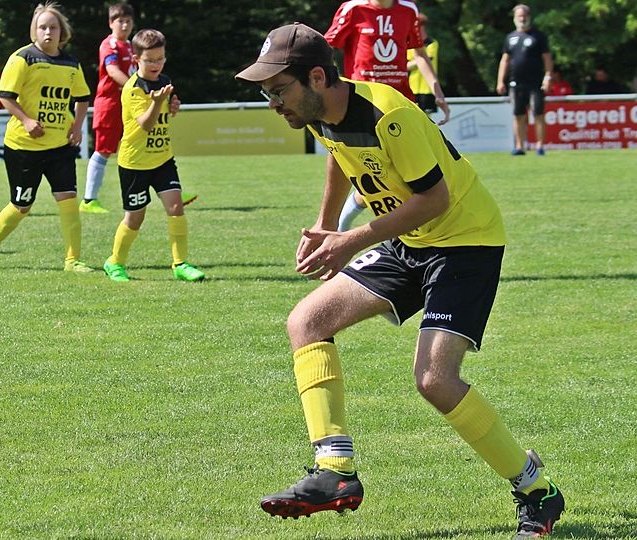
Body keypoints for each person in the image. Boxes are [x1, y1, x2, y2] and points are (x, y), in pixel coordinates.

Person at [236, 23, 565, 538]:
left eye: (279, 91)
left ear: (317, 77)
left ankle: (535, 487)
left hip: (465, 241)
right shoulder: (318, 113)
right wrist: (327, 225)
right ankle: (335, 472)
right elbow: (338, 159)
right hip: (410, 240)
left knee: (435, 381)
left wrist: (353, 239)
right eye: (267, 93)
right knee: (307, 322)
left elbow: (435, 199)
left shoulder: (388, 116)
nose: (274, 103)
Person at [0, 2, 93, 273]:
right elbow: (5, 95)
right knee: (21, 205)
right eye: (43, 27)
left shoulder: (71, 63)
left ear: (61, 31)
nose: (48, 32)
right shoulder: (22, 59)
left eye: (53, 27)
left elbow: (83, 97)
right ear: (34, 31)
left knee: (68, 199)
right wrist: (27, 121)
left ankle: (72, 260)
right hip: (23, 147)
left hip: (59, 147)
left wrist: (77, 126)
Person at [325, 0, 448, 232]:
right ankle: (343, 224)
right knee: (378, 175)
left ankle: (352, 225)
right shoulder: (354, 9)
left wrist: (438, 93)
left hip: (401, 106)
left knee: (410, 173)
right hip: (361, 106)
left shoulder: (409, 10)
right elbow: (324, 48)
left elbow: (419, 55)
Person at [101, 29, 205, 283]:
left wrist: (172, 107)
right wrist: (158, 103)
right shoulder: (133, 88)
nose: (156, 64)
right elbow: (145, 124)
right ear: (137, 59)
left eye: (160, 59)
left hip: (162, 158)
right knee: (135, 217)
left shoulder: (164, 81)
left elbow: (163, 115)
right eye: (150, 60)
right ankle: (115, 262)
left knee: (176, 207)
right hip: (134, 163)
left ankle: (180, 263)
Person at [80, 3, 135, 214]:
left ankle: (168, 191)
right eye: (120, 21)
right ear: (111, 22)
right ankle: (88, 200)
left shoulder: (131, 45)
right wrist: (135, 88)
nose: (125, 25)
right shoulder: (108, 45)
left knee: (138, 148)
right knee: (103, 151)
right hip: (110, 105)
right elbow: (112, 70)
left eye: (128, 21)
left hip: (128, 105)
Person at [496, 4, 553, 156]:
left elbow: (547, 58)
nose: (522, 18)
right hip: (516, 83)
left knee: (538, 113)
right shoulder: (510, 38)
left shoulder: (538, 36)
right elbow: (505, 60)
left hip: (535, 82)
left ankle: (540, 146)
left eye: (524, 16)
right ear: (515, 18)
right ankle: (520, 146)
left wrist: (547, 77)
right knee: (518, 115)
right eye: (519, 16)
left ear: (529, 17)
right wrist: (500, 81)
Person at [406, 12, 438, 113]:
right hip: (412, 88)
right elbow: (405, 66)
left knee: (427, 120)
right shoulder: (409, 45)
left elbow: (426, 59)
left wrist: (416, 61)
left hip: (427, 88)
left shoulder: (431, 43)